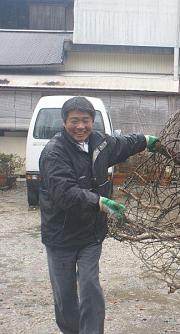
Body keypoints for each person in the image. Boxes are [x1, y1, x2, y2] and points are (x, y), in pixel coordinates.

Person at [38, 96, 158, 334]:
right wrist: (99, 201)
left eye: (85, 120)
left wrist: (145, 140)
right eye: (74, 121)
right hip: (60, 235)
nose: (80, 126)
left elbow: (122, 143)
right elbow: (64, 193)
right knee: (65, 295)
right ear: (64, 122)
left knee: (90, 285)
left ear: (93, 121)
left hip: (91, 234)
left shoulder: (100, 142)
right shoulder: (54, 152)